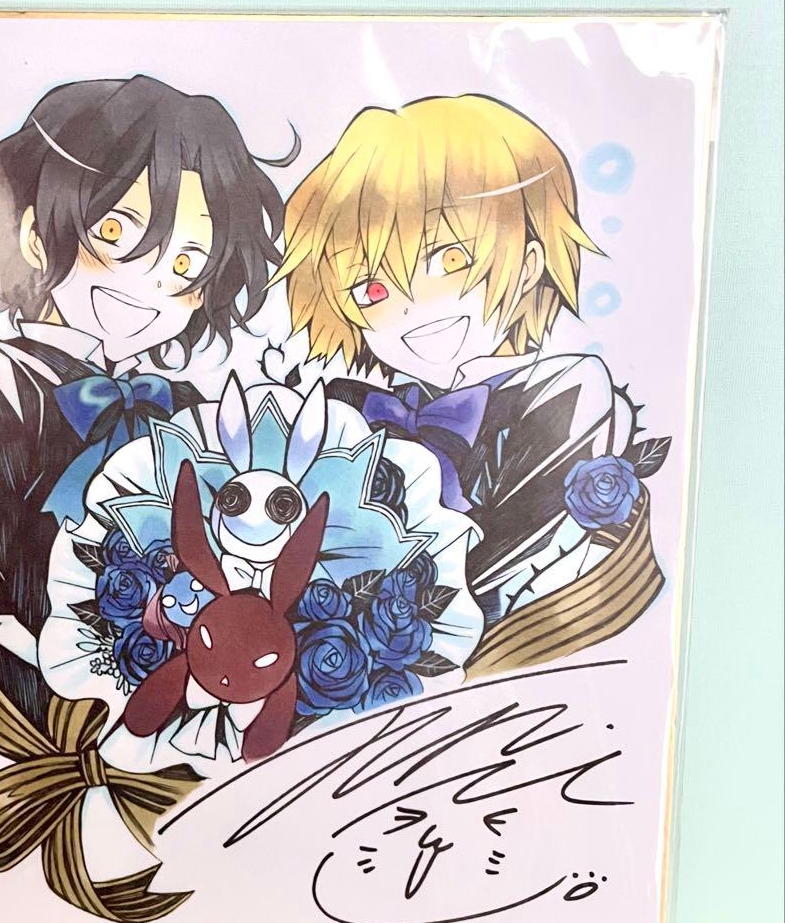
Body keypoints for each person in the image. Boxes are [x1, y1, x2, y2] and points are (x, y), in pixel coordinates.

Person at [0, 76, 297, 728]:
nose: (150, 282)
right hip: (32, 712)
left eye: (187, 267)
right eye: (115, 231)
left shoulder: (182, 408)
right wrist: (60, 710)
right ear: (34, 234)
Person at [275, 94, 653, 632]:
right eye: (372, 288)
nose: (415, 304)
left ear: (529, 264)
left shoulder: (566, 393)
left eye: (450, 259)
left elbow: (506, 566)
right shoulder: (348, 409)